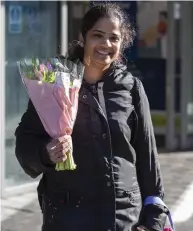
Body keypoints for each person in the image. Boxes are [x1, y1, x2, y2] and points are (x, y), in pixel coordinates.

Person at [15, 3, 168, 231]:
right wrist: (46, 153)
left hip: (124, 220)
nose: (106, 44)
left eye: (114, 38)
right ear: (83, 37)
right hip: (68, 219)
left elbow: (149, 163)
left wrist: (153, 222)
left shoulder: (131, 88)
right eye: (98, 35)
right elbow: (24, 144)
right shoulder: (53, 84)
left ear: (122, 43)